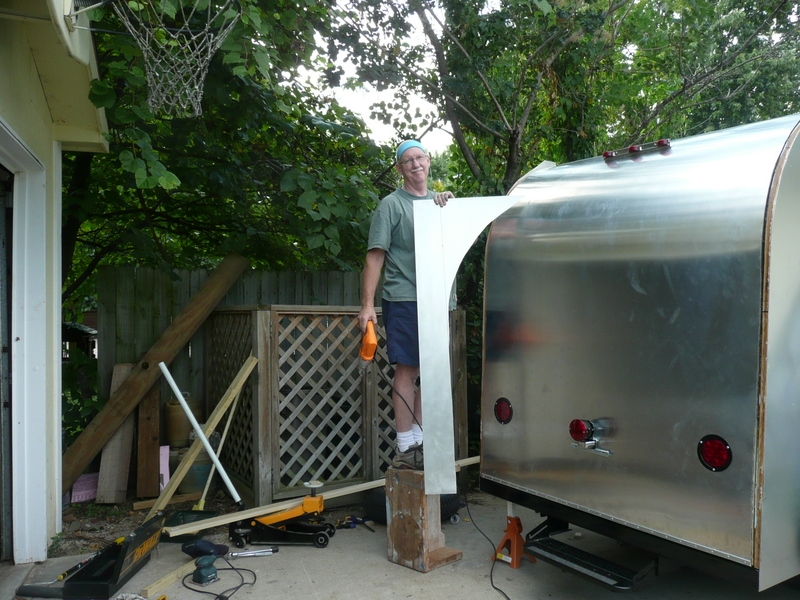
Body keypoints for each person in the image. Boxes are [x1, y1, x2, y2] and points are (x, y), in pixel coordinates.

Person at [357, 140, 454, 470]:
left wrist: (449, 206)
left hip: (435, 300)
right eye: (407, 160)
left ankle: (421, 443)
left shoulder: (439, 203)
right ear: (400, 169)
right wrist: (367, 305)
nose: (415, 164)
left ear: (428, 162)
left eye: (419, 158)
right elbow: (375, 256)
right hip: (403, 299)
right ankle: (405, 445)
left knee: (430, 373)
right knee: (407, 370)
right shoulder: (390, 206)